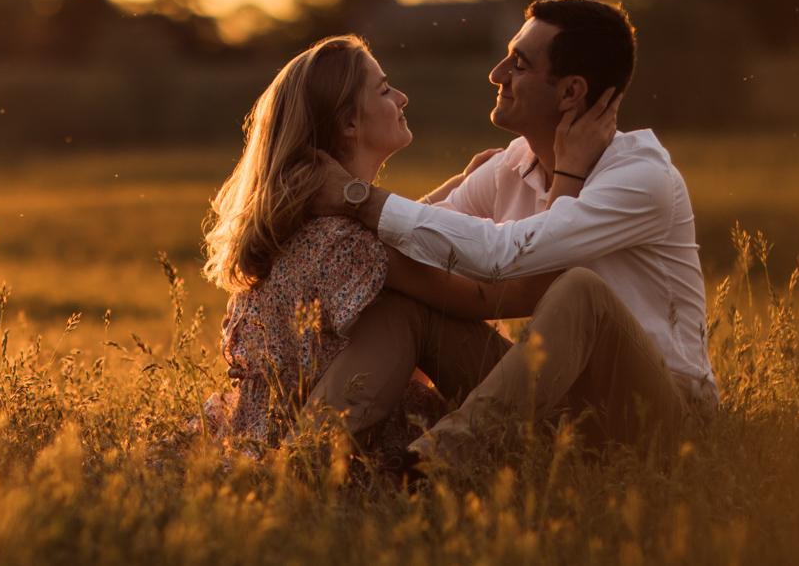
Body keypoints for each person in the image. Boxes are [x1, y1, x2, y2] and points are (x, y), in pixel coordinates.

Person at [305, 0, 718, 469]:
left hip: (659, 415)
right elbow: (419, 241)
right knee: (409, 311)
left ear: (570, 93)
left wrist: (360, 197)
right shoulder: (511, 165)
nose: (496, 74)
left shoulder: (641, 178)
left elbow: (508, 255)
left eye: (518, 65)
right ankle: (307, 456)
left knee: (582, 291)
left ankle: (432, 466)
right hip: (553, 403)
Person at [198, 34, 619, 463]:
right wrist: (569, 179)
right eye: (383, 90)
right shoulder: (350, 244)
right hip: (334, 434)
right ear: (349, 124)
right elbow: (500, 293)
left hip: (269, 422)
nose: (401, 97)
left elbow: (395, 236)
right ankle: (319, 463)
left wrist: (458, 186)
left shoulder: (316, 222)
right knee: (411, 316)